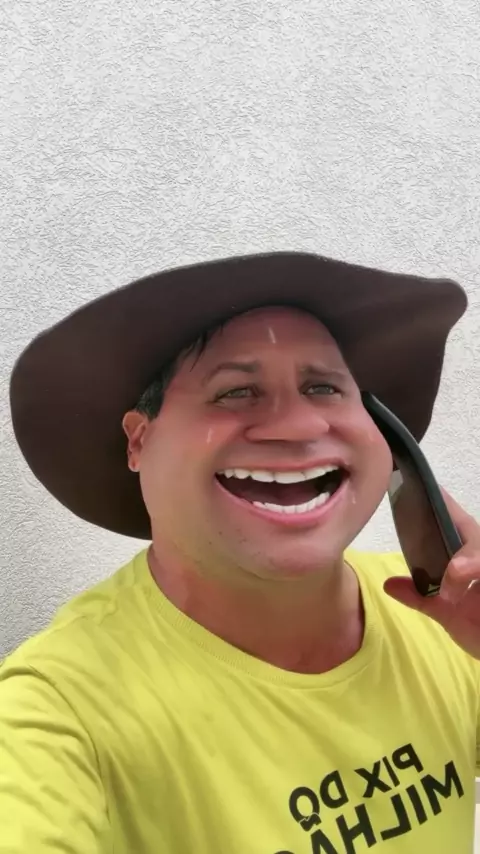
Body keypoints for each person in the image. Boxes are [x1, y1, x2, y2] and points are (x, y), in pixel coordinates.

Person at [1, 251, 479, 854]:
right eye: (236, 391)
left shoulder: (450, 613)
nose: (299, 426)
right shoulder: (59, 708)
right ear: (139, 441)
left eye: (325, 386)